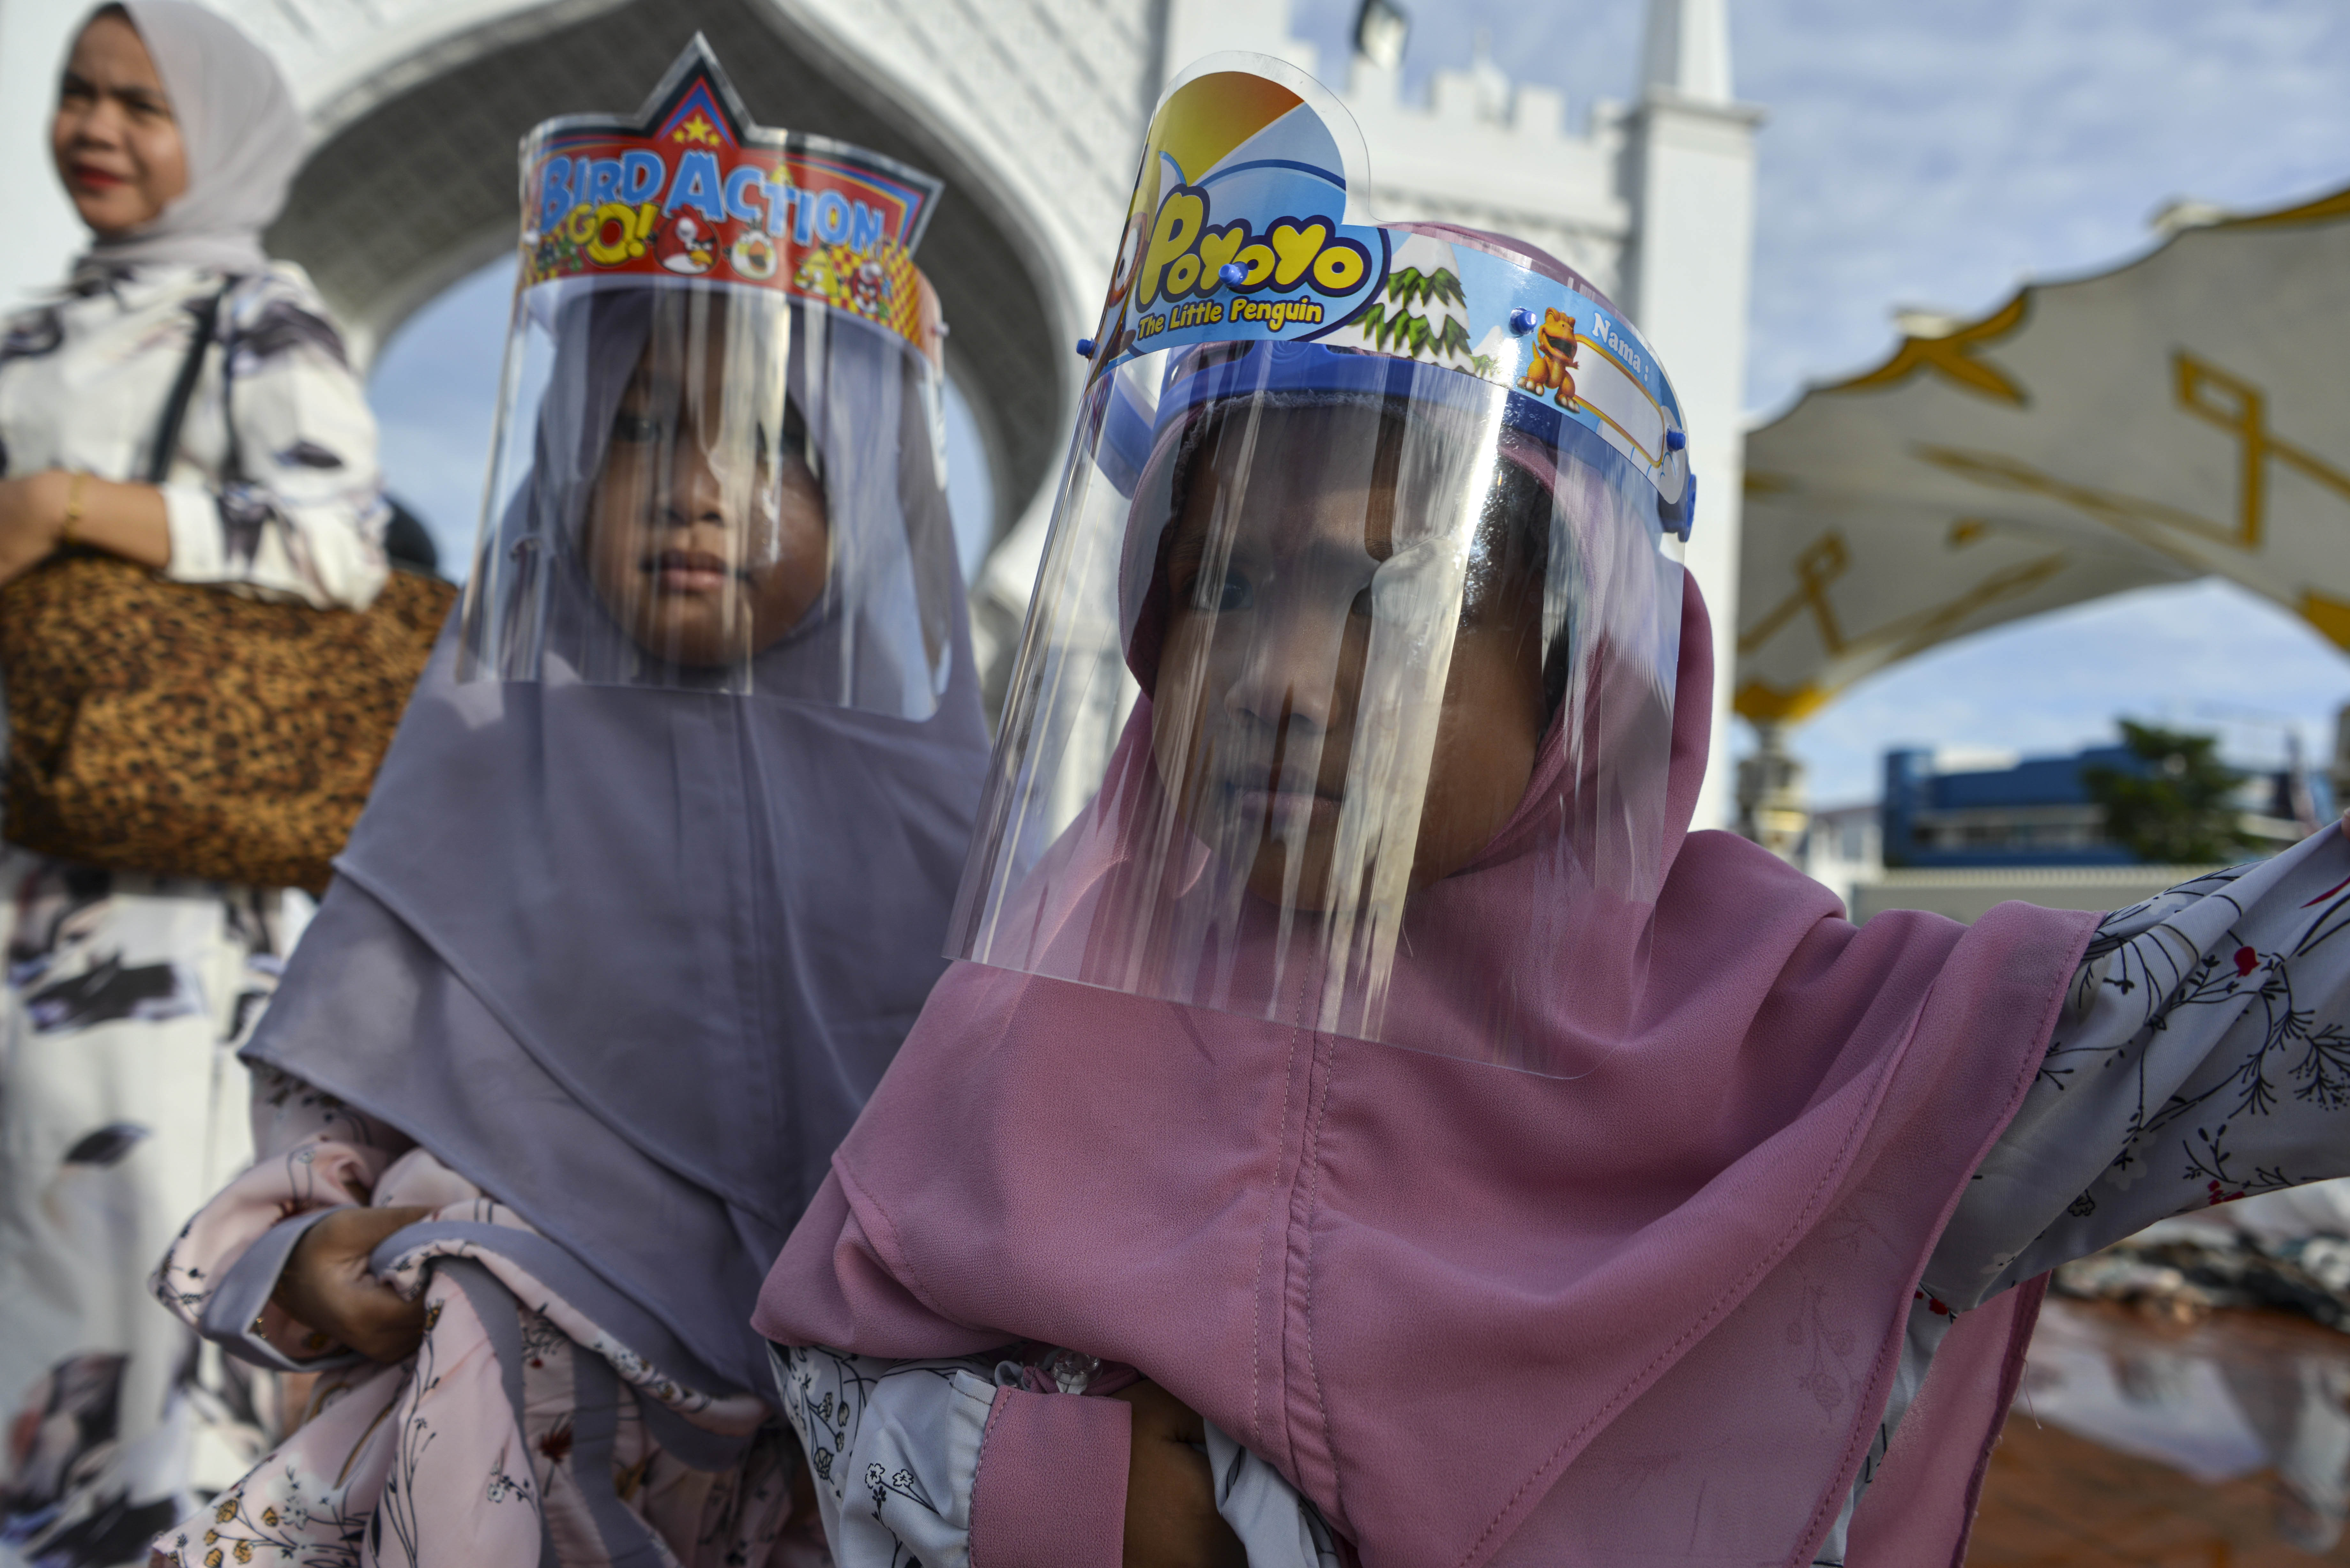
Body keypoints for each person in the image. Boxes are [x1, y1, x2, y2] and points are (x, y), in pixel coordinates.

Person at [753, 57, 2350, 1567]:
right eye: (1225, 588)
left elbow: (2250, 1012)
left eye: (1396, 593)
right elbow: (835, 1365)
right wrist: (1062, 1489)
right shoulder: (1044, 1018)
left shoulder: (1817, 1049)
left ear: (1588, 681)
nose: (1278, 678)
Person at [143, 41, 988, 1568]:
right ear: (562, 459)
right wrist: (308, 1254)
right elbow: (336, 1110)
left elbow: (1002, 1185)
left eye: (777, 445)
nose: (697, 486)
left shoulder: (950, 841)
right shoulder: (483, 770)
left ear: (877, 505)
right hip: (497, 1454)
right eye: (640, 426)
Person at [0, 6, 388, 1562]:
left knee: (120, 1269)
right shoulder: (38, 328)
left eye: (142, 105)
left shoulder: (257, 319)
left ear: (217, 135)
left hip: (152, 899)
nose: (97, 128)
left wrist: (72, 504)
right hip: (24, 858)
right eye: (78, 94)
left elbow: (340, 546)